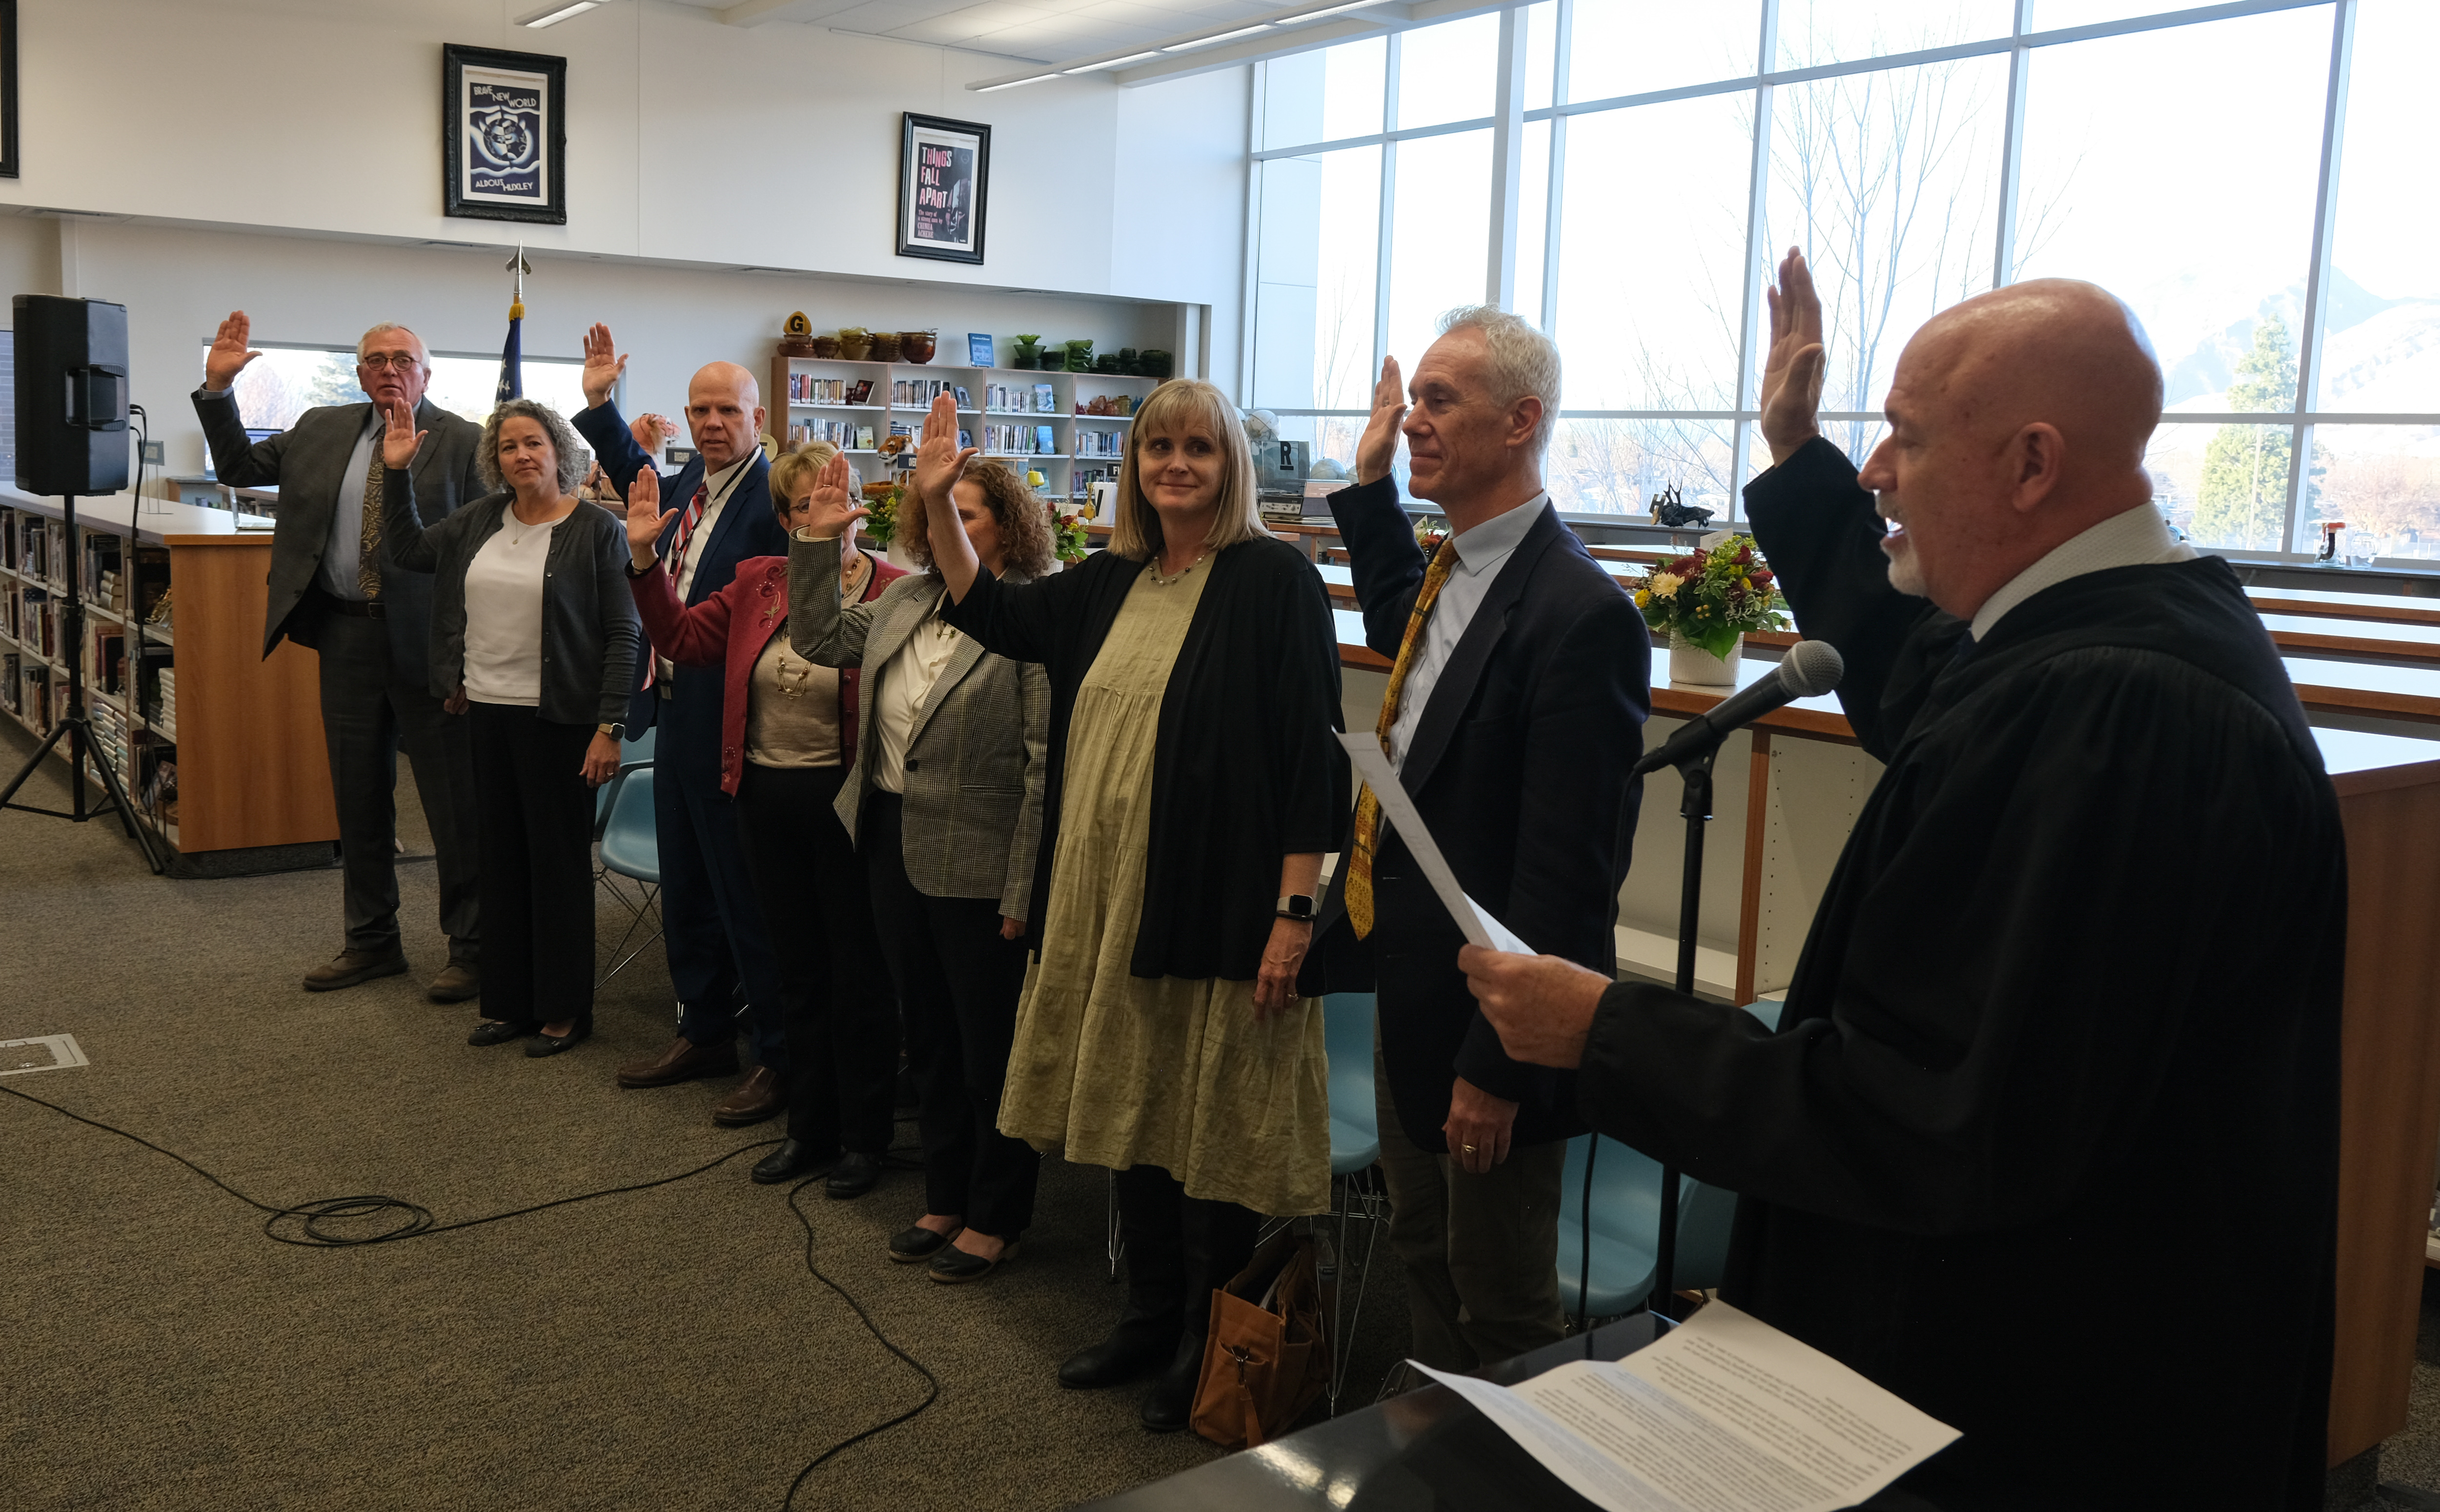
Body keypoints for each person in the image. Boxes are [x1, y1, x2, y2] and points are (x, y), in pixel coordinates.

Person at [1459, 251, 2344, 1511]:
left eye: (1905, 439)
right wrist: (1796, 451)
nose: (1878, 471)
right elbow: (1921, 681)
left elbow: (1925, 1113)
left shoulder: (2117, 719)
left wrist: (1604, 1030)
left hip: (2054, 1420)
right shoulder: (2100, 642)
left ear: (2033, 467)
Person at [914, 383, 1346, 1429]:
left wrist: (1295, 914)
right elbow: (993, 612)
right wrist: (936, 504)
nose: (1176, 463)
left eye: (1198, 446)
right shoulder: (1110, 579)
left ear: (1229, 462)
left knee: (1209, 1136)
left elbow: (1310, 761)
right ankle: (1149, 1315)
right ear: (1135, 464)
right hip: (1106, 902)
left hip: (1215, 904)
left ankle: (1210, 1335)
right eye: (1158, 446)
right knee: (1136, 1118)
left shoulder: (1273, 580)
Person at [1300, 307, 1649, 1373]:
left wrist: (1498, 1065)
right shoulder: (1453, 572)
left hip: (1490, 1038)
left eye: (1440, 400)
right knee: (1423, 1257)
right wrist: (1367, 491)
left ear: (1522, 420)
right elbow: (1406, 624)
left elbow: (1566, 878)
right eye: (1415, 399)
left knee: (1499, 1306)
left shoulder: (1579, 613)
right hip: (1412, 1003)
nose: (1414, 420)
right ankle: (1438, 1469)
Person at [786, 454, 1053, 1282]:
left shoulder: (1033, 617)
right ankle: (943, 1195)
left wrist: (1025, 888)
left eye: (966, 515)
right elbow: (820, 636)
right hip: (892, 840)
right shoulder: (907, 595)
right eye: (939, 514)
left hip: (982, 863)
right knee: (928, 1040)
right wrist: (817, 547)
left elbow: (1047, 768)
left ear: (1007, 528)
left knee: (987, 1051)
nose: (948, 529)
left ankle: (997, 1213)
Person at [622, 441, 904, 1194]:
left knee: (858, 977)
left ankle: (865, 1140)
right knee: (795, 972)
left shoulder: (895, 589)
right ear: (784, 518)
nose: (826, 515)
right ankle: (808, 1129)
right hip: (763, 803)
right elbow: (680, 640)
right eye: (807, 504)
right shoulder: (758, 583)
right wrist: (647, 565)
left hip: (848, 809)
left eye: (838, 500)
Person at [193, 315, 486, 1002]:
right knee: (358, 798)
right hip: (346, 636)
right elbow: (237, 467)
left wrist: (472, 652)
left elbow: (483, 551)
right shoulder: (322, 430)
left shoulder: (467, 444)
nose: (390, 369)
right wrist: (218, 388)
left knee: (452, 802)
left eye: (403, 359)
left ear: (426, 374)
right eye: (376, 360)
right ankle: (372, 942)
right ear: (360, 374)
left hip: (430, 643)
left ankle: (472, 947)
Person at [572, 325, 793, 1124]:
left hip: (735, 718)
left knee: (745, 897)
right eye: (698, 410)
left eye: (725, 410)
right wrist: (601, 404)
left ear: (757, 418)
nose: (709, 422)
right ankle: (703, 1030)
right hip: (672, 710)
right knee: (688, 887)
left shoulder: (775, 499)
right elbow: (638, 487)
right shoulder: (695, 484)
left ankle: (776, 1054)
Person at [378, 397, 637, 1053]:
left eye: (533, 443)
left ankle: (564, 1009)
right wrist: (397, 473)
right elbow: (406, 551)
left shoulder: (597, 530)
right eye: (508, 447)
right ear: (495, 461)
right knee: (500, 863)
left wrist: (610, 725)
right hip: (485, 713)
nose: (521, 456)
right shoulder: (478, 521)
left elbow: (623, 634)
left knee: (556, 868)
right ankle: (510, 1001)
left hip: (561, 721)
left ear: (559, 452)